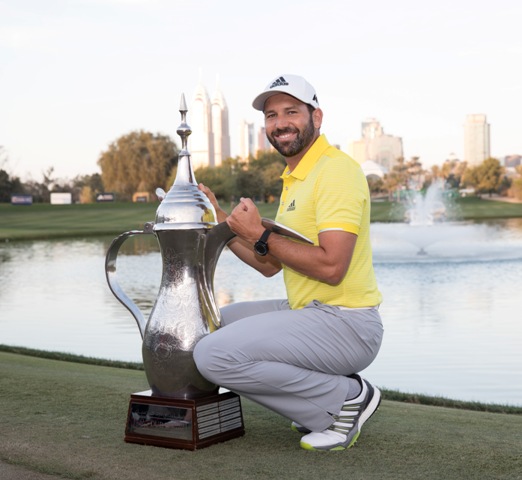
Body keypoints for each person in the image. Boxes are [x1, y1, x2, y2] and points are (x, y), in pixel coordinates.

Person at [194, 74, 383, 452]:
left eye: (291, 111)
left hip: (347, 322)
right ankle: (317, 401)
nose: (280, 122)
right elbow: (270, 266)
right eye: (271, 115)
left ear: (317, 117)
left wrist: (259, 234)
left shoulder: (335, 170)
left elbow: (332, 267)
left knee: (211, 355)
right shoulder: (297, 176)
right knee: (215, 322)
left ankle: (344, 398)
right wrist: (222, 223)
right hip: (312, 311)